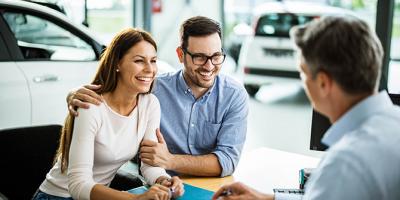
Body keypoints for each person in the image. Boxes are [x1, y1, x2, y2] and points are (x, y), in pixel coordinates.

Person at [213, 15, 400, 200]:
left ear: (323, 83)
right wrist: (269, 199)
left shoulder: (344, 165)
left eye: (303, 73)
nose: (303, 83)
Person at [67, 16, 249, 177]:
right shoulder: (153, 88)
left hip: (211, 187)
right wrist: (73, 93)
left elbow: (227, 161)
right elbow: (114, 90)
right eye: (199, 57)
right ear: (180, 55)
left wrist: (170, 160)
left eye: (216, 56)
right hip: (159, 183)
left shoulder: (233, 95)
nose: (209, 66)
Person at [33, 28, 184, 200]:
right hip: (58, 196)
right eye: (139, 61)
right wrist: (135, 199)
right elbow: (78, 185)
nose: (150, 69)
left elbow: (149, 164)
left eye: (153, 60)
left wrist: (163, 180)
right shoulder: (91, 106)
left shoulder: (150, 104)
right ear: (117, 64)